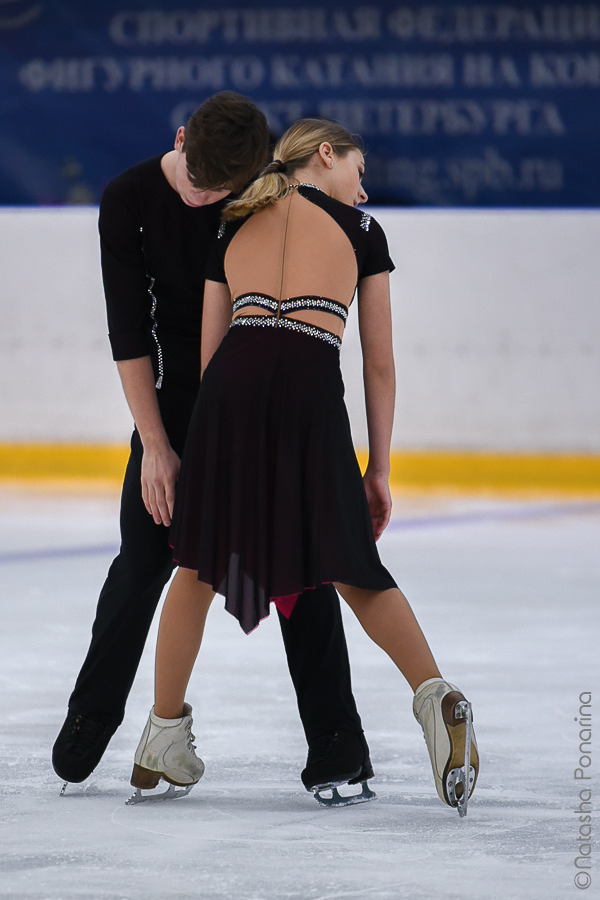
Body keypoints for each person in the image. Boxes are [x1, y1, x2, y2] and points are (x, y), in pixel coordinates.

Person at [129, 118, 480, 814]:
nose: (363, 183)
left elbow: (208, 353)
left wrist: (218, 445)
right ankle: (434, 697)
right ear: (326, 153)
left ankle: (161, 736)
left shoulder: (230, 223)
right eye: (358, 166)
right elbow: (377, 365)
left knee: (199, 566)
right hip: (309, 383)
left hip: (232, 384)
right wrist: (377, 468)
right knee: (350, 566)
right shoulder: (362, 230)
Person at [52, 93, 376, 799]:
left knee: (298, 569)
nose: (204, 197)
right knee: (144, 557)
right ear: (178, 139)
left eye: (219, 191)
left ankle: (336, 747)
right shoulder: (129, 198)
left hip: (256, 404)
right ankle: (94, 714)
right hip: (171, 403)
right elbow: (128, 332)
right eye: (197, 181)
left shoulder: (264, 190)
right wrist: (157, 447)